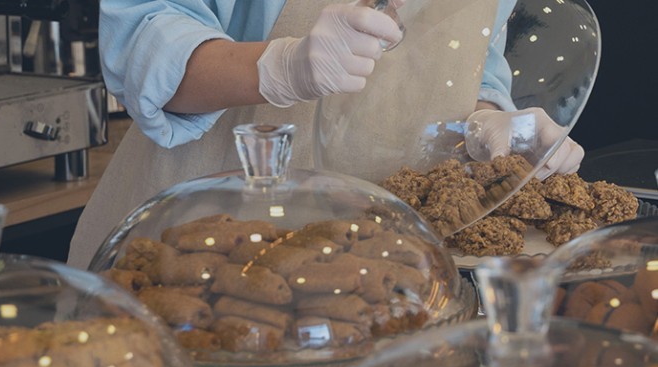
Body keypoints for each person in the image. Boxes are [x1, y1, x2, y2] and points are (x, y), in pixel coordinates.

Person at [68, 0, 584, 269]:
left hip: (391, 268)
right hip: (202, 246)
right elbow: (144, 33)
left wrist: (487, 118)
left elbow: (471, 55)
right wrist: (280, 68)